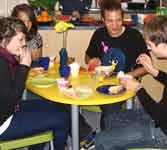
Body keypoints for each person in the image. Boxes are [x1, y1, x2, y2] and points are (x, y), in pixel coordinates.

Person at [96, 15, 167, 150]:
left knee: (101, 140)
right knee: (111, 117)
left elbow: (159, 115)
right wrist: (154, 72)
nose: (149, 49)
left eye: (149, 45)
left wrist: (138, 88)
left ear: (161, 46)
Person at [0, 17, 70, 150]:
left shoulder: (5, 57)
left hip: (9, 111)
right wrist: (24, 67)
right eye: (20, 39)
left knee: (54, 105)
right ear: (4, 40)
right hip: (4, 122)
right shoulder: (1, 63)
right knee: (62, 118)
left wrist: (20, 64)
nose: (24, 43)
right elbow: (12, 101)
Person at [85, 0, 149, 130]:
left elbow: (147, 66)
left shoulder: (134, 36)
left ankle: (107, 140)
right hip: (100, 81)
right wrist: (92, 61)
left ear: (123, 17)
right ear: (103, 19)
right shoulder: (99, 34)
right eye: (110, 21)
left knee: (110, 112)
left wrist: (129, 75)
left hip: (123, 86)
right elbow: (87, 57)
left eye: (118, 20)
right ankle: (85, 135)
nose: (115, 26)